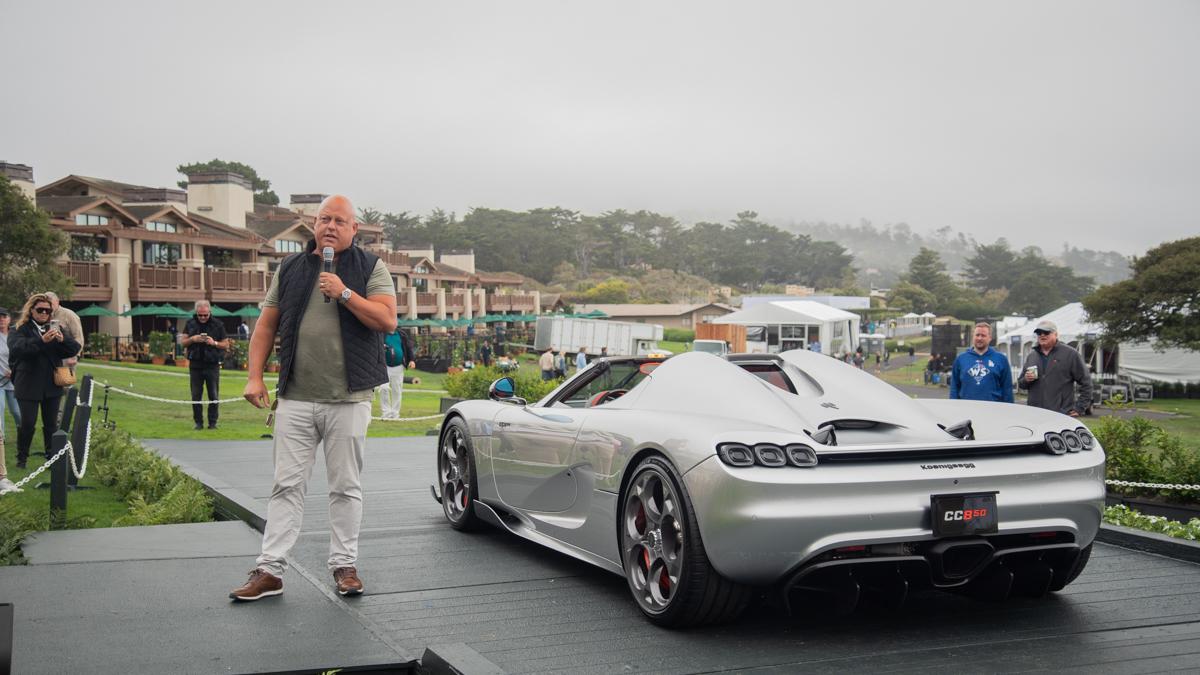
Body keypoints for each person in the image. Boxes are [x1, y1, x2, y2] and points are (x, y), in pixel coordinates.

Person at [232, 194, 396, 602]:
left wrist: (344, 293)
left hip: (349, 398)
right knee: (286, 485)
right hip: (296, 398)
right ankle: (270, 570)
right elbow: (266, 327)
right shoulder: (290, 267)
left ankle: (344, 566)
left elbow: (387, 319)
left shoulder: (371, 267)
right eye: (324, 219)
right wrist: (254, 377)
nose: (331, 226)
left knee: (345, 487)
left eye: (340, 221)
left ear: (354, 229)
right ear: (313, 224)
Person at [7, 293, 80, 469]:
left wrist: (63, 340)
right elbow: (18, 349)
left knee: (51, 425)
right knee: (28, 423)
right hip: (29, 383)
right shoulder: (19, 329)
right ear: (31, 310)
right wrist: (41, 341)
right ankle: (22, 458)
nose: (44, 313)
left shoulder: (55, 328)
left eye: (48, 311)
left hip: (51, 383)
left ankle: (51, 458)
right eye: (40, 310)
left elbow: (74, 348)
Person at [1018, 320, 1093, 417]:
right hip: (1035, 413)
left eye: (1046, 332)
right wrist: (1026, 379)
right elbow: (1021, 384)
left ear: (1056, 334)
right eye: (1039, 333)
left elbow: (1086, 383)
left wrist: (1080, 407)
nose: (1042, 335)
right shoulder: (1032, 356)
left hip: (1060, 414)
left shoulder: (1071, 354)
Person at [182, 301, 229, 430]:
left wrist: (214, 343)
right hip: (195, 365)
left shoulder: (218, 325)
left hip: (212, 364)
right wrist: (193, 339)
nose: (202, 318)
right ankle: (198, 423)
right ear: (196, 313)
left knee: (213, 395)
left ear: (210, 313)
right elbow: (183, 342)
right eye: (200, 315)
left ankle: (212, 423)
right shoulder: (190, 323)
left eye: (205, 315)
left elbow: (226, 344)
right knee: (196, 395)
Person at [949, 322, 1014, 403]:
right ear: (973, 337)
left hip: (993, 409)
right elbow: (954, 387)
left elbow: (1007, 388)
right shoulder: (961, 359)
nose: (979, 338)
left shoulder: (1001, 359)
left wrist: (1009, 410)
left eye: (983, 335)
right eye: (977, 335)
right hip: (966, 409)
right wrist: (953, 406)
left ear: (990, 338)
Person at [378, 327, 415, 420]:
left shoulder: (402, 334)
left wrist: (411, 360)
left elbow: (408, 347)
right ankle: (386, 413)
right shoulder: (382, 334)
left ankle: (395, 413)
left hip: (399, 366)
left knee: (397, 390)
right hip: (384, 366)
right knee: (383, 388)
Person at [43, 291, 83, 371]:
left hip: (67, 356)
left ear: (57, 301)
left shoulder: (69, 315)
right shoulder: (44, 315)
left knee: (64, 381)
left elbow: (78, 336)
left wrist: (75, 356)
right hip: (49, 356)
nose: (49, 307)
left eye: (51, 304)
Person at [0, 307, 22, 432]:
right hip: (0, 381)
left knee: (16, 412)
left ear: (9, 319)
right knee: (0, 410)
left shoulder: (15, 335)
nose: (1, 320)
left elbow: (23, 355)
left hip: (14, 380)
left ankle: (23, 435)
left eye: (4, 317)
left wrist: (15, 370)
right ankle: (1, 440)